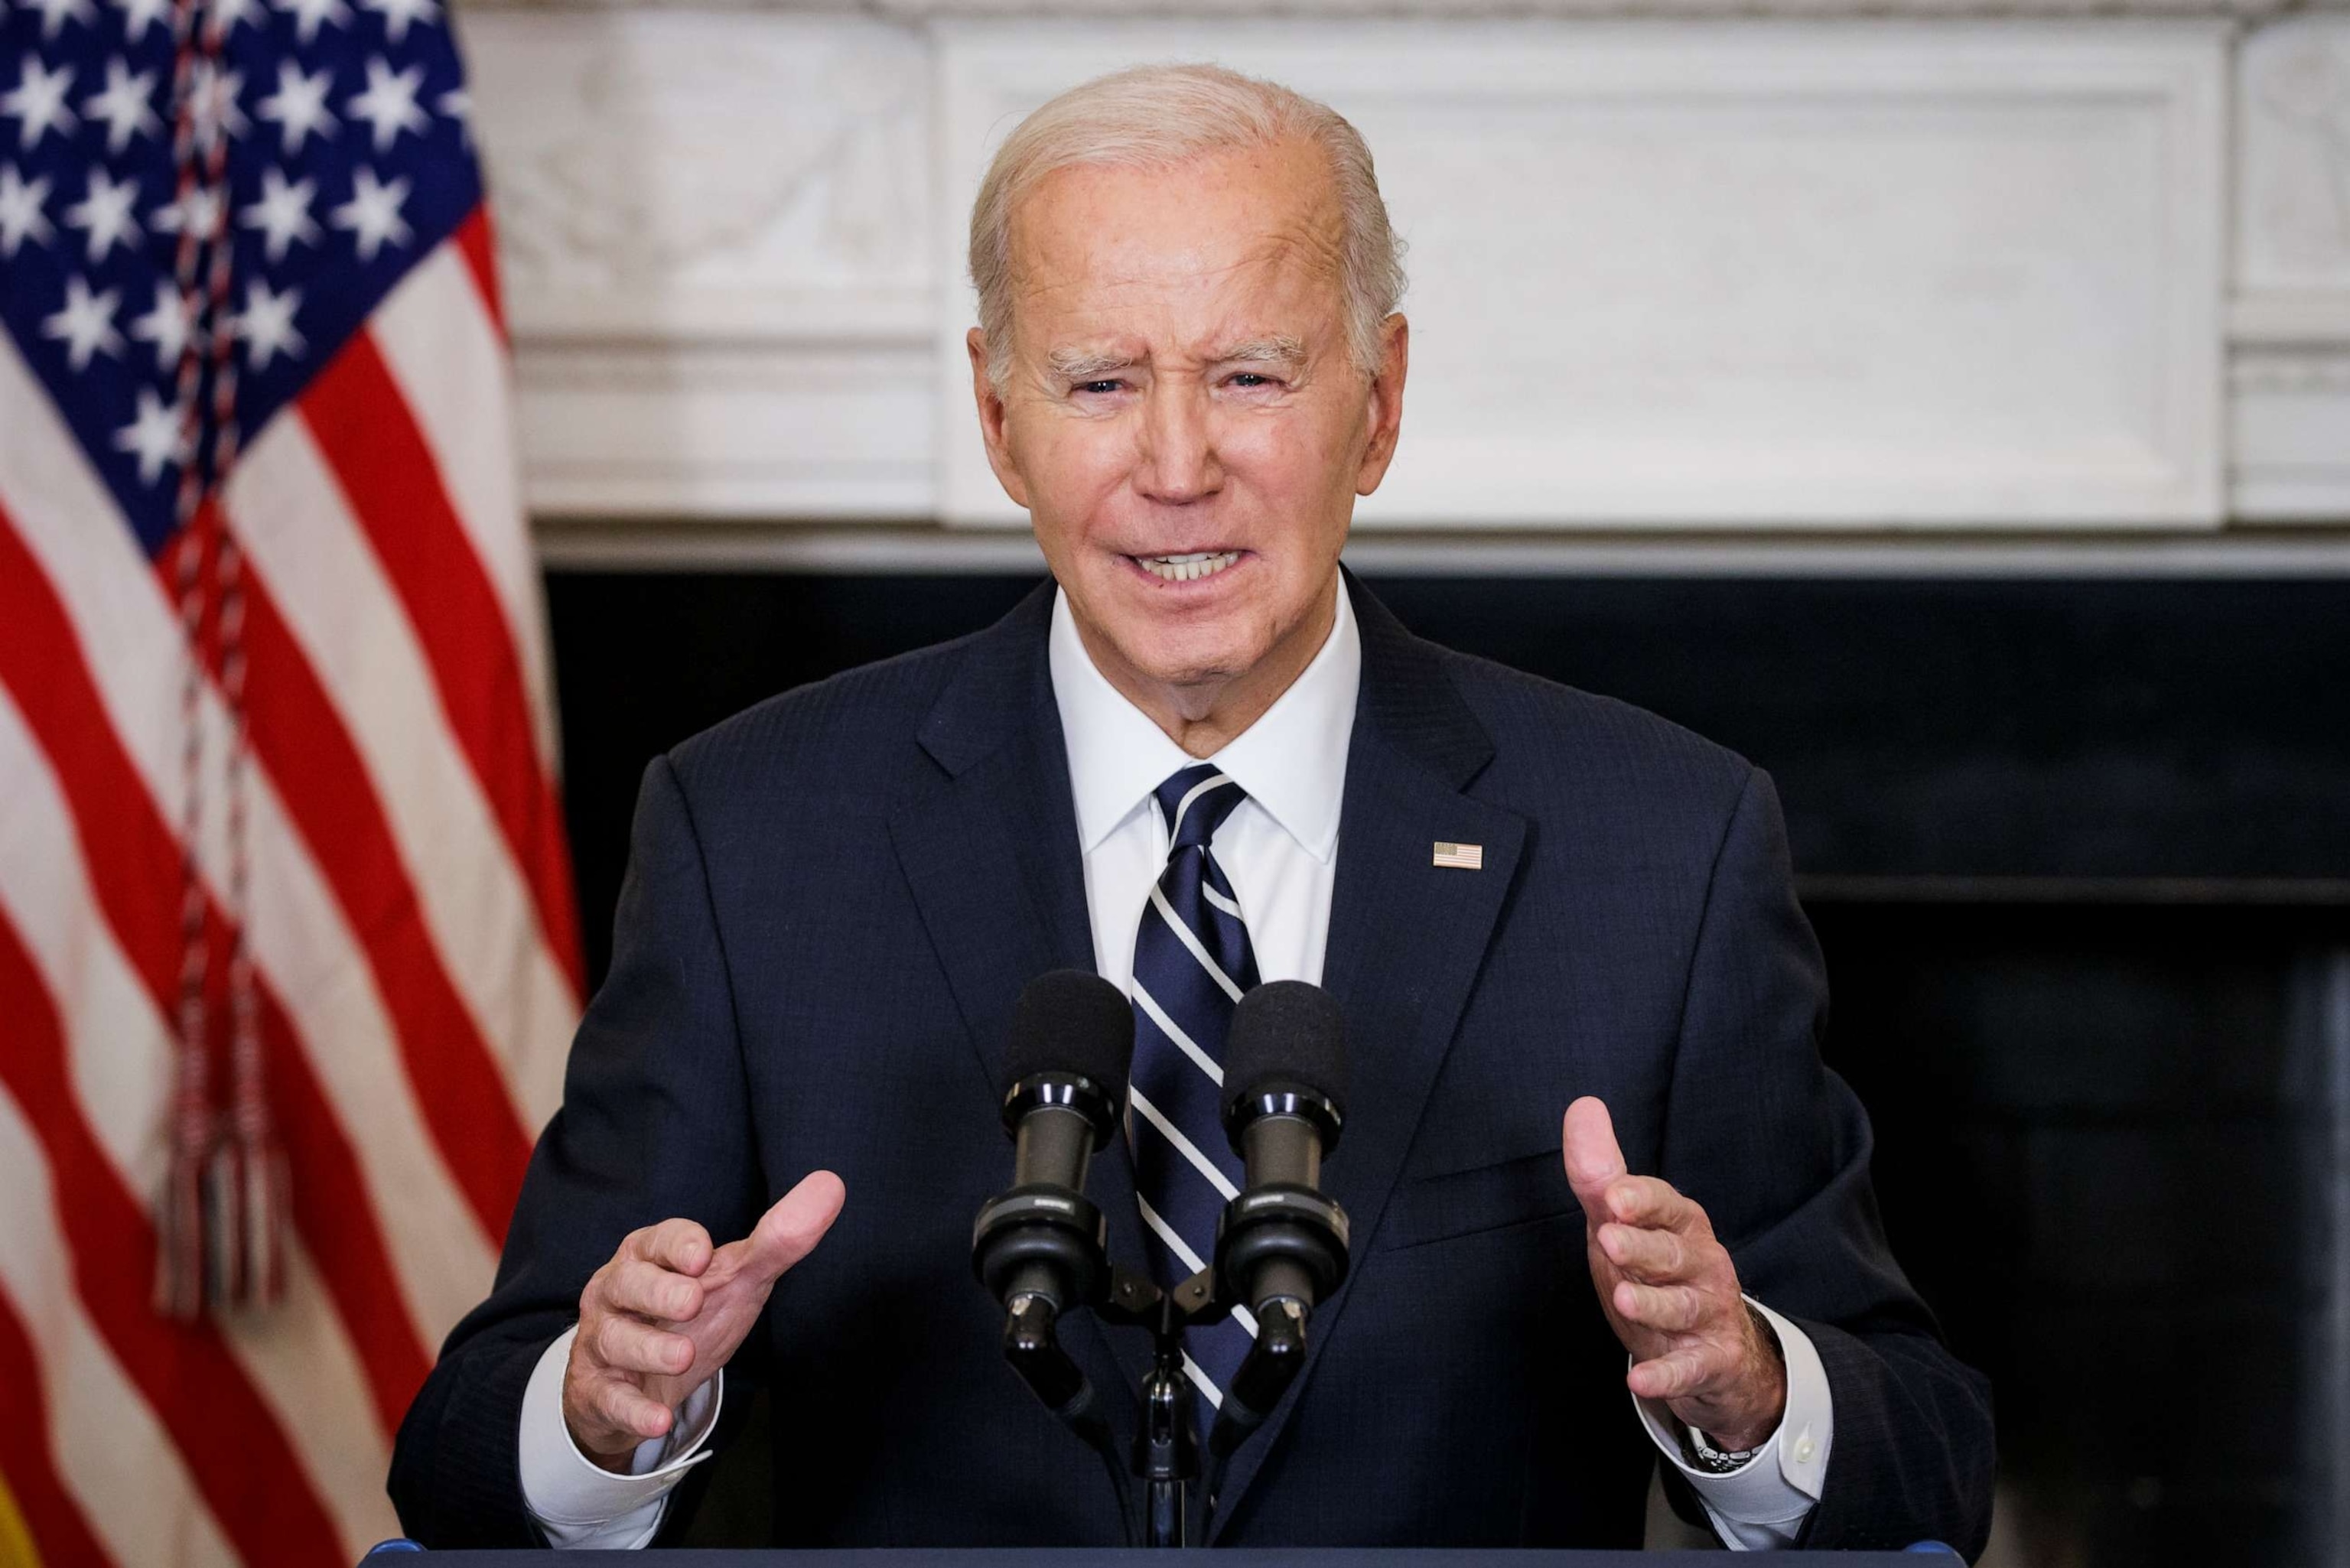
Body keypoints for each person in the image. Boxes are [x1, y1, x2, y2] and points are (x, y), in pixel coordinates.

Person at [389, 63, 1994, 1556]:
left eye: (1247, 373)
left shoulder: (1663, 849)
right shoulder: (752, 835)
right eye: (1099, 379)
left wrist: (1747, 1390)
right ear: (999, 414)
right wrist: (603, 1415)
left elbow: (1930, 1449)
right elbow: (461, 1453)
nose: (1175, 463)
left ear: (1379, 399)